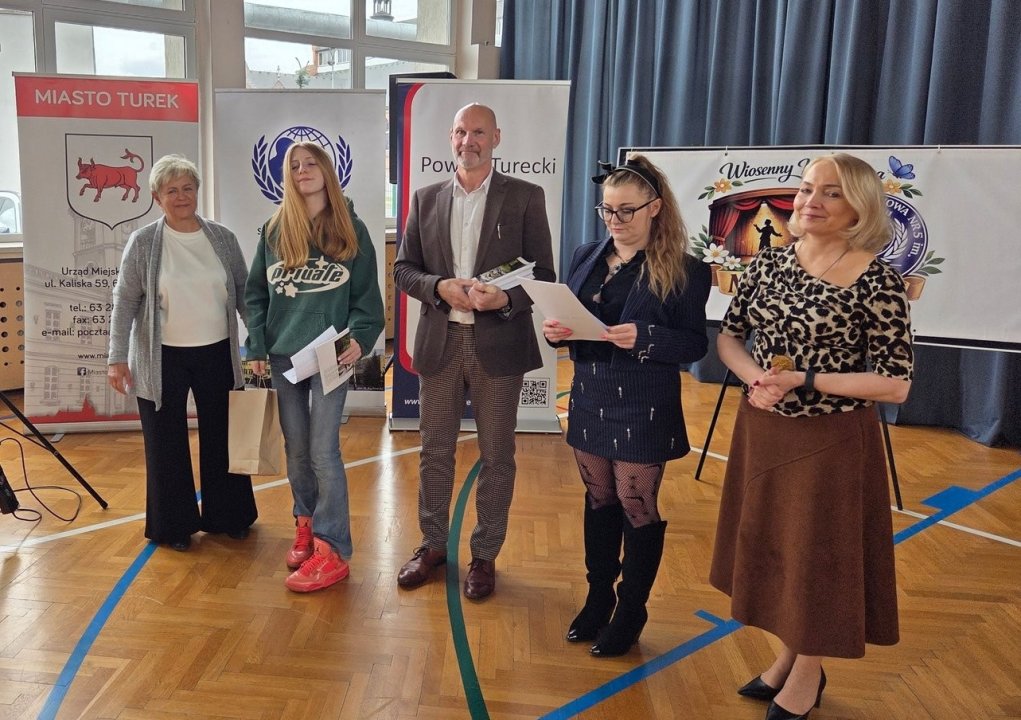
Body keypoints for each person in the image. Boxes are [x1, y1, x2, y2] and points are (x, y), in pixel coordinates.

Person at [709, 153, 913, 720]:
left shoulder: (879, 280)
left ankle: (805, 674)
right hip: (764, 428)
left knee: (817, 560)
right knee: (777, 551)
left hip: (831, 440)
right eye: (805, 189)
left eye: (831, 193)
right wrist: (756, 379)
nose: (810, 202)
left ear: (859, 208)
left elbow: (895, 384)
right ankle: (789, 659)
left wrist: (804, 378)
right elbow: (729, 337)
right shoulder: (769, 263)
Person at [541, 155, 711, 656]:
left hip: (643, 400)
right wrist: (555, 332)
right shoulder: (585, 255)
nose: (614, 220)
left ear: (655, 207)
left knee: (636, 504)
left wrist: (646, 337)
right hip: (590, 393)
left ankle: (631, 609)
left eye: (626, 210)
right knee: (599, 499)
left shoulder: (686, 269)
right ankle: (599, 598)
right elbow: (570, 320)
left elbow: (695, 345)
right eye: (607, 210)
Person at [393, 103, 555, 600]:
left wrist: (506, 299)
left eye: (479, 132)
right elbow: (404, 270)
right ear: (451, 137)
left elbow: (543, 275)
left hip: (498, 345)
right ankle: (432, 546)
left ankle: (485, 554)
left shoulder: (525, 197)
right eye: (461, 132)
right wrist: (439, 287)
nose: (469, 141)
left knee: (497, 455)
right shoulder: (425, 199)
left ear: (496, 138)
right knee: (434, 451)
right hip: (441, 342)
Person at [245, 141, 384, 593]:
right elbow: (255, 295)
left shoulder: (351, 229)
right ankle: (304, 522)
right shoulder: (274, 229)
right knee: (297, 450)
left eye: (310, 163)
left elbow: (367, 299)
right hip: (284, 356)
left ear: (326, 170)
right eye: (294, 166)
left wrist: (360, 338)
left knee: (324, 452)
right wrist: (256, 344)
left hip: (330, 355)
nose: (302, 170)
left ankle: (332, 547)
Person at [108, 154, 257, 552]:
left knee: (224, 437)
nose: (181, 196)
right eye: (171, 190)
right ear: (157, 197)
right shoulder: (143, 242)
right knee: (165, 444)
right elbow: (125, 301)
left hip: (217, 354)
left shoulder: (222, 238)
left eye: (187, 188)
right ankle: (172, 526)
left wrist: (258, 341)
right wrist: (116, 357)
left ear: (197, 191)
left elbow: (244, 294)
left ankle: (229, 517)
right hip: (161, 359)